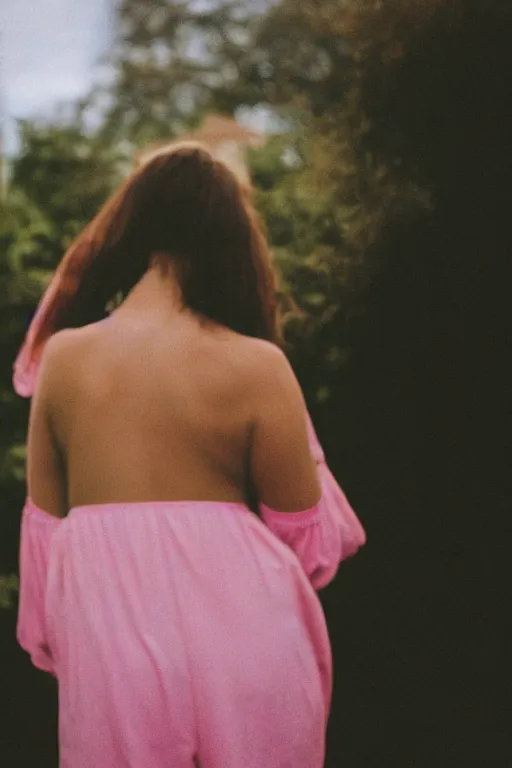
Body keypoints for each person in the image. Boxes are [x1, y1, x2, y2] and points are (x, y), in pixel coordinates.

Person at [14, 141, 366, 768]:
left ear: (133, 225)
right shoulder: (258, 367)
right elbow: (310, 548)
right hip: (251, 651)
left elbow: (45, 539)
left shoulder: (63, 359)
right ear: (233, 239)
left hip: (110, 652)